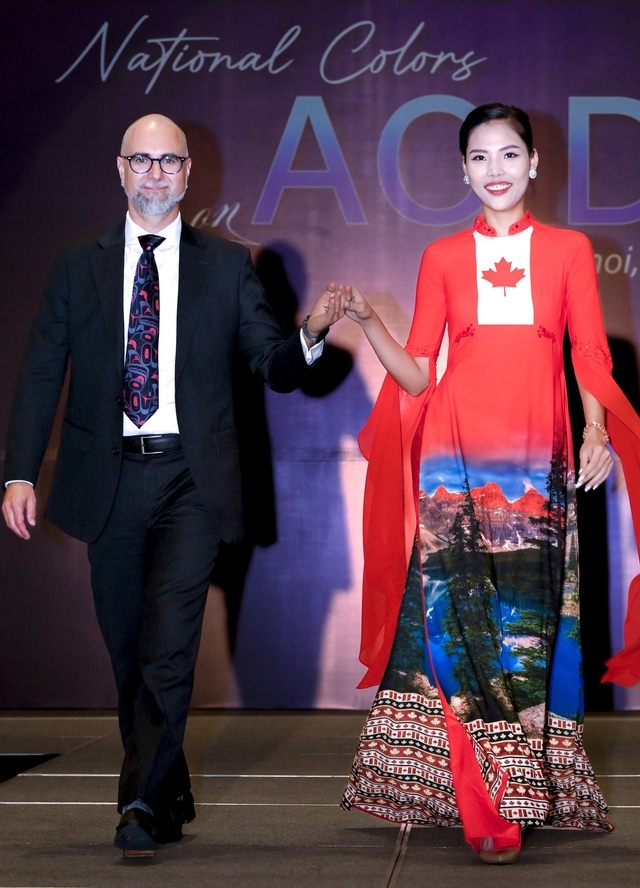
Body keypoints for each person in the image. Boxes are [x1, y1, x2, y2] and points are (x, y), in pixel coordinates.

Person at [2, 113, 344, 859]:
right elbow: (39, 372)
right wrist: (20, 469)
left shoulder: (228, 266)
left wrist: (310, 335)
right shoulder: (77, 264)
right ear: (119, 170)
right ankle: (170, 786)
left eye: (169, 162)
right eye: (142, 161)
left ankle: (138, 804)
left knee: (167, 647)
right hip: (109, 476)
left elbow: (272, 364)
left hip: (194, 480)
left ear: (189, 174)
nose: (155, 174)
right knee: (127, 649)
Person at [340, 103, 640, 864]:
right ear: (463, 170)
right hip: (453, 466)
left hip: (540, 464)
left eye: (510, 154)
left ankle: (523, 784)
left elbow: (591, 358)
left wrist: (597, 428)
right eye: (480, 157)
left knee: (527, 635)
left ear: (535, 164)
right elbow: (418, 369)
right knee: (460, 629)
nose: (496, 169)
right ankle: (489, 810)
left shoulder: (571, 250)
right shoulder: (440, 257)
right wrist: (372, 324)